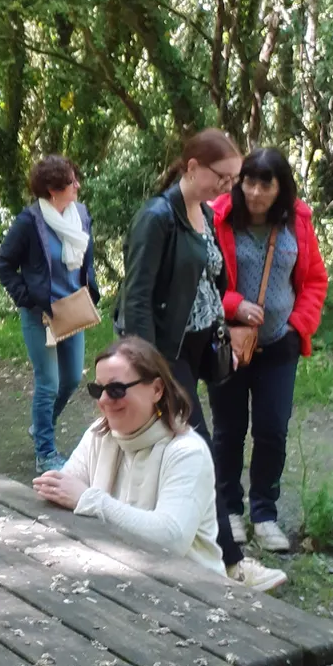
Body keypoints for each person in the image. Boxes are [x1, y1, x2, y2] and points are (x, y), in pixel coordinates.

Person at [32, 337, 221, 666]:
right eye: (97, 390)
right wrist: (57, 489)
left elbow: (170, 538)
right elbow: (66, 488)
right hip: (119, 582)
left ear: (156, 389)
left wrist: (91, 500)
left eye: (117, 389)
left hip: (190, 598)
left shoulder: (186, 452)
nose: (105, 401)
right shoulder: (101, 435)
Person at [118, 129, 286, 593]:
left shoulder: (205, 216)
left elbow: (211, 283)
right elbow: (137, 298)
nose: (229, 187)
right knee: (202, 451)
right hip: (165, 357)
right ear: (191, 167)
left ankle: (182, 549)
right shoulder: (157, 216)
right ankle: (232, 564)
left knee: (175, 451)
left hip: (199, 349)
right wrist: (144, 369)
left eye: (234, 178)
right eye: (223, 177)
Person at [210, 148, 328, 552]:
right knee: (228, 431)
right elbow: (203, 279)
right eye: (249, 181)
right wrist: (233, 304)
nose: (256, 192)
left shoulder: (298, 221)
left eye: (266, 183)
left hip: (280, 345)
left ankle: (264, 514)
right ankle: (228, 511)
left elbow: (315, 279)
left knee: (272, 430)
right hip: (230, 342)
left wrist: (298, 327)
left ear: (281, 188)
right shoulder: (218, 217)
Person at [0, 155, 98, 472]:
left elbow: (86, 257)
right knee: (49, 382)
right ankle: (45, 452)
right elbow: (4, 264)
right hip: (42, 314)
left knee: (69, 380)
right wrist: (26, 298)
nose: (77, 185)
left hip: (73, 310)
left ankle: (41, 425)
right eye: (71, 182)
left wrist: (90, 285)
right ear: (53, 190)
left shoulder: (80, 214)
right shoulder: (30, 222)